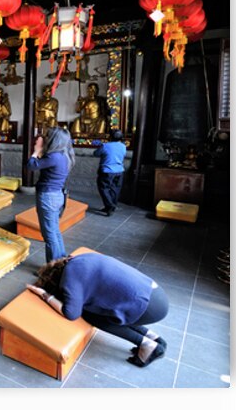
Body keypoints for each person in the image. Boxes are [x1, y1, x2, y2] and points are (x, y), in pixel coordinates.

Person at [26, 252, 170, 368]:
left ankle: (147, 344)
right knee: (115, 307)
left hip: (148, 307)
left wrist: (45, 295)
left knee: (91, 315)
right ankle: (153, 337)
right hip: (156, 294)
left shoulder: (69, 279)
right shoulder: (79, 258)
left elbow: (71, 313)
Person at [26, 127, 74, 263]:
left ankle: (52, 268)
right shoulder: (64, 155)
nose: (46, 138)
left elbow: (31, 165)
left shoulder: (53, 157)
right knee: (55, 231)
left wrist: (36, 151)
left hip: (48, 197)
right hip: (57, 195)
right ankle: (61, 261)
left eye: (48, 136)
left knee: (49, 235)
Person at [94, 130, 126, 216]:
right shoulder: (123, 146)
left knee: (103, 188)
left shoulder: (105, 146)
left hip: (107, 171)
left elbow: (96, 153)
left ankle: (110, 205)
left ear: (110, 137)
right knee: (115, 189)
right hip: (119, 171)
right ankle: (111, 207)